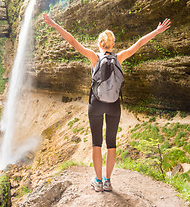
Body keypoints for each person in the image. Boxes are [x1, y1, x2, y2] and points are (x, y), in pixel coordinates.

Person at [43, 13, 171, 192]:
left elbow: (72, 41)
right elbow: (140, 43)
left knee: (96, 142)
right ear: (113, 44)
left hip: (96, 104)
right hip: (114, 105)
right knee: (111, 144)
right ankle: (108, 181)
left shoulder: (94, 57)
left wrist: (54, 24)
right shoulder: (119, 57)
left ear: (99, 44)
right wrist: (157, 31)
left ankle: (98, 181)